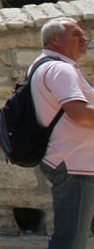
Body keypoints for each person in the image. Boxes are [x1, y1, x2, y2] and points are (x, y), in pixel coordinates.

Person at [30, 17, 92, 249]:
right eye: (77, 34)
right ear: (55, 40)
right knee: (71, 241)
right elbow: (78, 111)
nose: (85, 39)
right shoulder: (60, 68)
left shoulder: (46, 66)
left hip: (72, 162)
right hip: (75, 165)